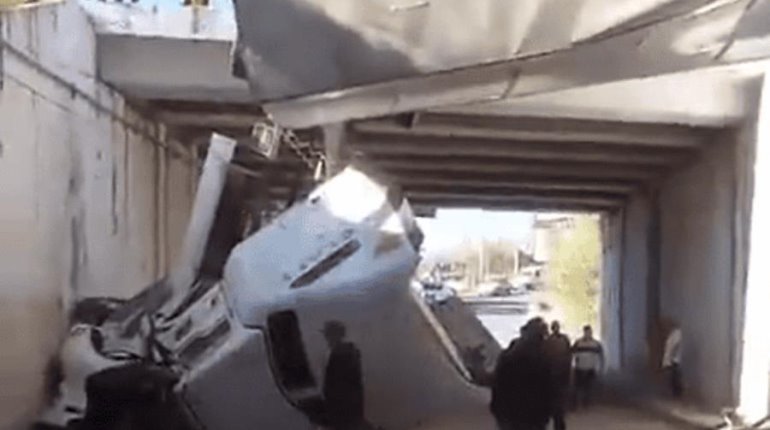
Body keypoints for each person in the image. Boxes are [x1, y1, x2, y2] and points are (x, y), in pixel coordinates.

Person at [490, 318, 553, 430]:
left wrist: (496, 408)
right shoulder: (542, 357)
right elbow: (547, 389)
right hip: (533, 415)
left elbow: (498, 383)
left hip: (508, 412)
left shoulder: (508, 354)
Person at [321, 320, 367, 430]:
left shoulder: (339, 355)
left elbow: (336, 386)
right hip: (351, 411)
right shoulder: (351, 352)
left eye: (328, 335)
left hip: (343, 413)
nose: (326, 338)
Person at [545, 321, 572, 430]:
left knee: (559, 400)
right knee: (557, 400)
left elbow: (569, 354)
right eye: (554, 327)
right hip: (554, 374)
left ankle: (558, 420)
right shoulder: (550, 341)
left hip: (559, 373)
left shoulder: (553, 341)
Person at [571, 325, 604, 409]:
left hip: (590, 368)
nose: (588, 334)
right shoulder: (578, 343)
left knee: (588, 387)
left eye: (589, 332)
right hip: (580, 367)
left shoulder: (596, 344)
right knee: (578, 387)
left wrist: (600, 368)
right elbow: (572, 354)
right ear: (584, 332)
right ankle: (576, 403)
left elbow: (601, 356)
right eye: (586, 332)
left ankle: (586, 403)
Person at [662, 324, 683, 398]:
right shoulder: (672, 335)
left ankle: (677, 393)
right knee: (673, 377)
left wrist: (669, 359)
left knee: (675, 377)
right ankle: (675, 393)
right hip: (672, 359)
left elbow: (673, 347)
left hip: (673, 360)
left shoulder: (676, 334)